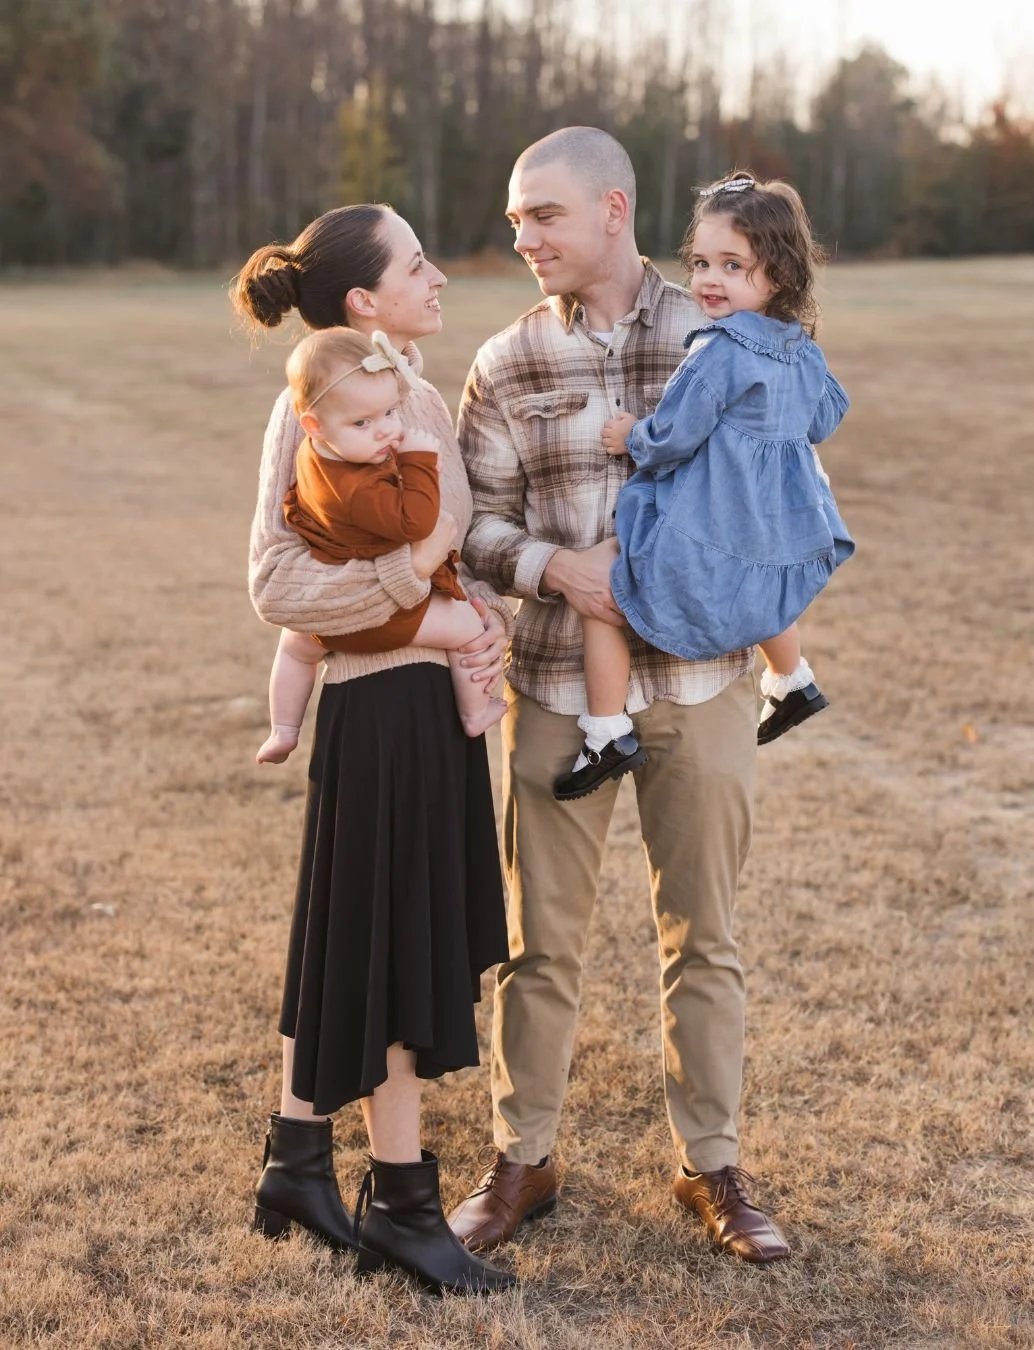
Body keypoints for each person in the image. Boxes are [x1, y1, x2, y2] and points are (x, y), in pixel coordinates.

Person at [452, 127, 791, 1263]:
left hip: (700, 685)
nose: (522, 238)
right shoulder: (504, 363)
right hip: (555, 684)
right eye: (512, 220)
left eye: (540, 216)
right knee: (536, 941)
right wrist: (556, 567)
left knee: (708, 935)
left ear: (611, 208)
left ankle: (713, 1166)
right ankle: (523, 1160)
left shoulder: (723, 327)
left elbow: (781, 489)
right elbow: (475, 529)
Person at [232, 203, 516, 1294]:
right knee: (396, 950)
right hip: (382, 712)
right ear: (366, 304)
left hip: (420, 704)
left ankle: (297, 1165)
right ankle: (401, 1204)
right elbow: (280, 587)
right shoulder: (318, 410)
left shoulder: (410, 396)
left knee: (349, 937)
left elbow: (445, 553)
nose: (440, 275)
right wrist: (424, 606)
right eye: (417, 264)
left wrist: (468, 617)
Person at [554, 170, 853, 801]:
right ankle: (792, 679)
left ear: (779, 275)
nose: (710, 280)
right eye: (700, 262)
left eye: (732, 266)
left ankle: (606, 731)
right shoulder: (801, 348)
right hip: (778, 521)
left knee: (606, 583)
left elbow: (673, 436)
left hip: (714, 519)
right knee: (762, 587)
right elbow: (826, 416)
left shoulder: (717, 350)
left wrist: (629, 436)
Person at [256, 325, 506, 765]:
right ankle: (476, 711)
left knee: (296, 648)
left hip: (332, 605)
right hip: (387, 612)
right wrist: (419, 462)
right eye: (363, 422)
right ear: (312, 424)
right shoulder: (358, 488)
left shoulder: (317, 455)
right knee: (466, 625)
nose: (385, 431)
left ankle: (283, 728)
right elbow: (416, 521)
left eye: (391, 413)